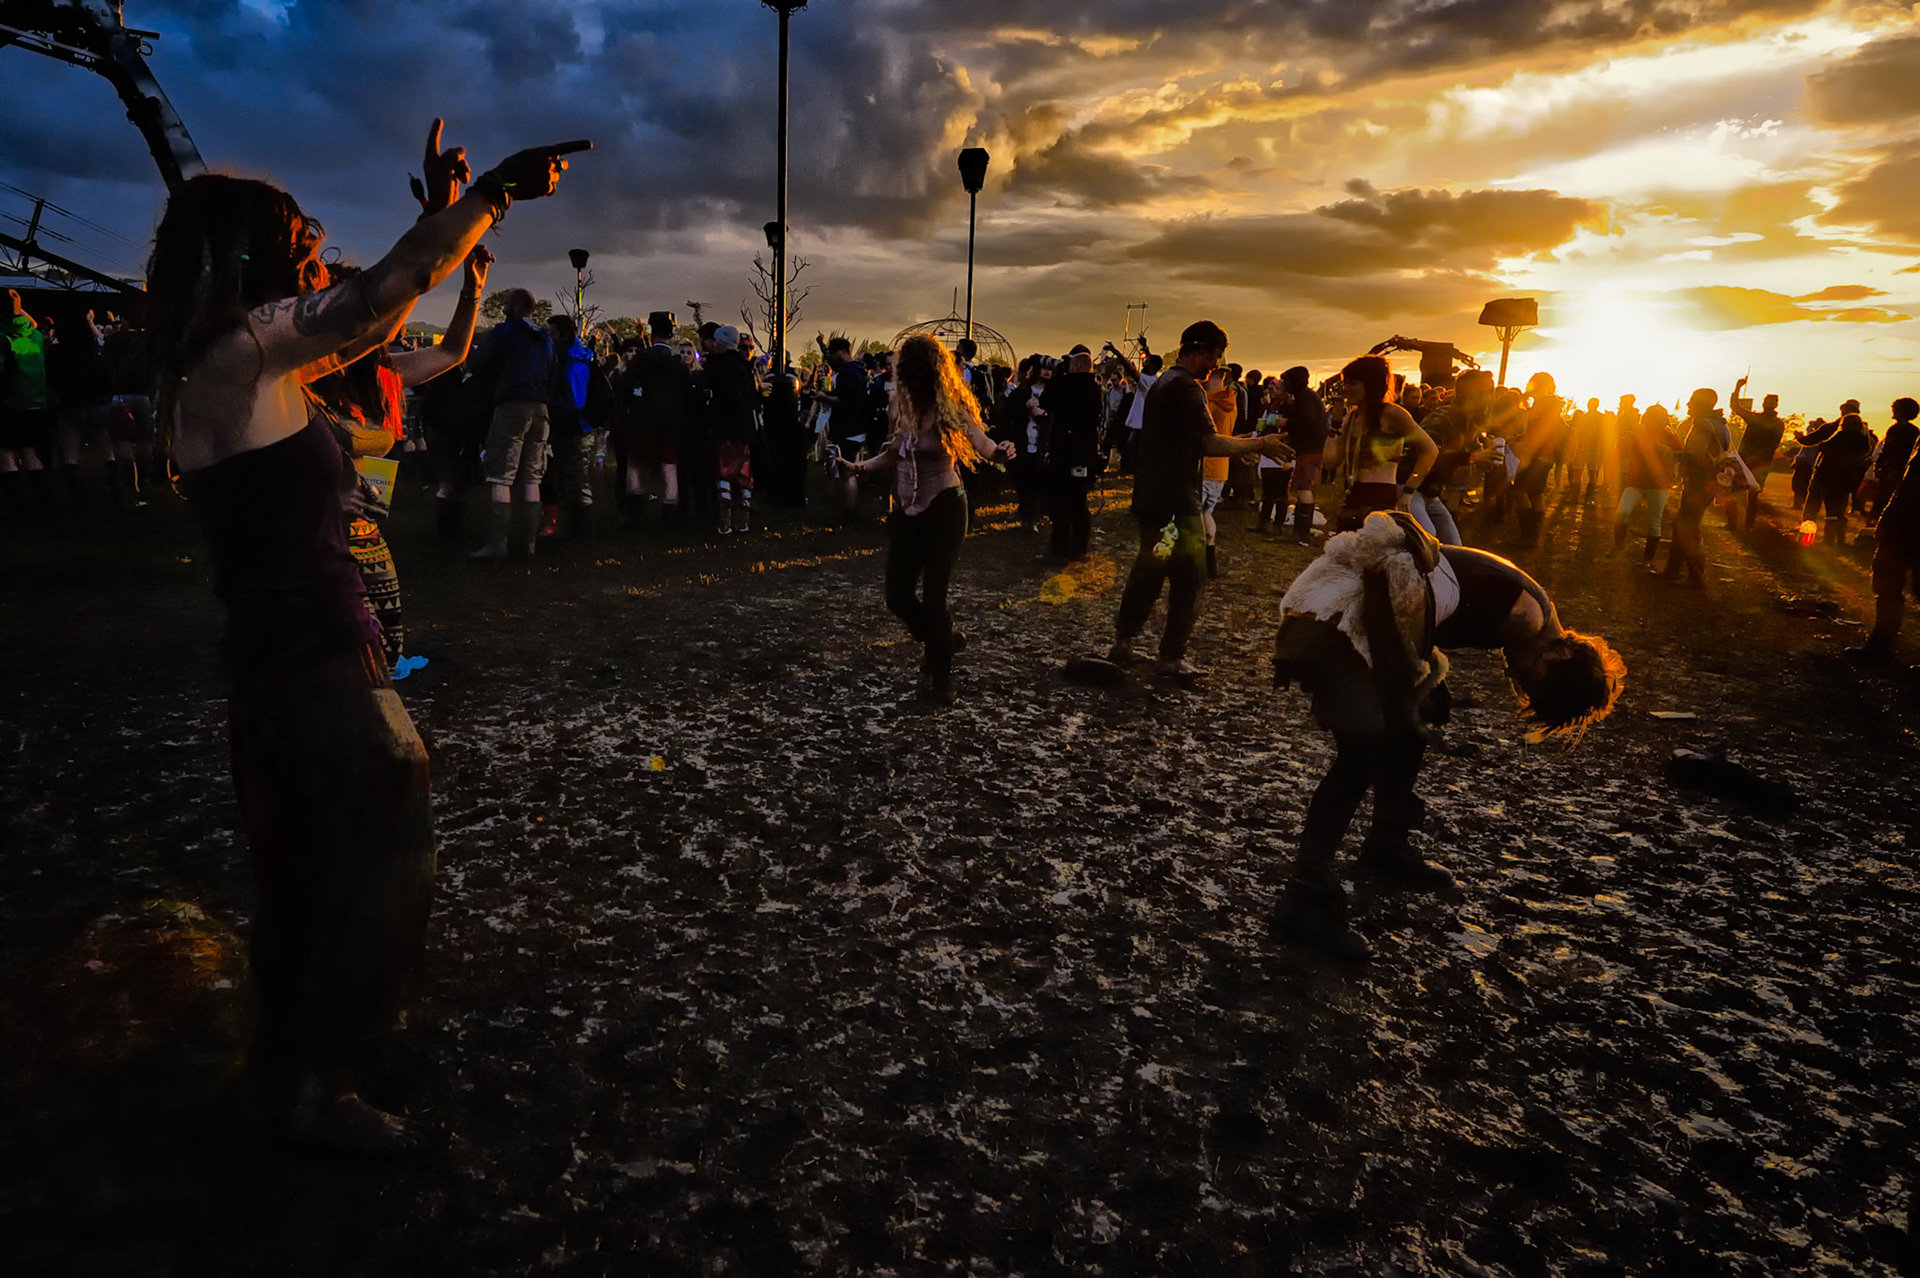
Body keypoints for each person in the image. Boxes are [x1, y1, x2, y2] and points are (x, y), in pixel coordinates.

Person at [147, 122, 588, 1154]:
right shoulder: (235, 358)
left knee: (314, 867)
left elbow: (377, 329)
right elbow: (381, 289)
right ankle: (327, 1079)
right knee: (375, 857)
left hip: (294, 657)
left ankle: (294, 1075)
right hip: (308, 660)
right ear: (245, 255)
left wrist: (445, 224)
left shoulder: (244, 367)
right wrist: (492, 194)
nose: (314, 248)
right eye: (298, 237)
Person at [1269, 512, 1626, 959]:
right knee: (1362, 750)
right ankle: (1304, 897)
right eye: (1529, 677)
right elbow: (1394, 594)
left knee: (1412, 728)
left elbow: (1420, 611)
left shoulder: (1531, 610)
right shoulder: (1522, 618)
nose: (1515, 676)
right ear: (1563, 651)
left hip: (1353, 610)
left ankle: (1386, 843)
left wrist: (1419, 685)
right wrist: (1406, 684)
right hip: (1335, 617)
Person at [1107, 320, 1291, 679]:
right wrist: (1259, 443)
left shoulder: (1164, 382)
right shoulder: (1187, 388)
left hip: (1153, 496)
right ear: (1202, 351)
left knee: (1148, 572)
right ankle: (1171, 658)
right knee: (1190, 578)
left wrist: (1241, 448)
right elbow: (1209, 442)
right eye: (1215, 357)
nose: (1216, 367)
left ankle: (1122, 644)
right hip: (1177, 500)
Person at [836, 335, 1014, 703]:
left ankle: (942, 680)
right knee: (897, 596)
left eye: (917, 376)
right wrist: (857, 467)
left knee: (935, 597)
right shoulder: (897, 404)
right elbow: (892, 454)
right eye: (906, 375)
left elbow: (982, 443)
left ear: (931, 374)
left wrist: (1000, 451)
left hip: (946, 506)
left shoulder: (952, 406)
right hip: (907, 510)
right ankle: (944, 642)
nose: (911, 383)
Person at [464, 286, 555, 558]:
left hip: (511, 405)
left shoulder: (504, 332)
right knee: (531, 476)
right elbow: (552, 371)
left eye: (505, 305)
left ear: (513, 307)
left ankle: (497, 544)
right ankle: (528, 544)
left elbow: (477, 363)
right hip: (541, 408)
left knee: (501, 474)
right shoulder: (546, 338)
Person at [1327, 353, 1437, 533]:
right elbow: (1331, 462)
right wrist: (1336, 425)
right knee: (1345, 555)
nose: (1346, 388)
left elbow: (1430, 450)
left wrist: (1409, 492)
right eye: (1345, 383)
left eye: (1352, 383)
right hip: (1353, 496)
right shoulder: (1351, 417)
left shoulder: (1392, 414)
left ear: (1370, 385)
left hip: (1380, 496)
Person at [1852, 405, 1920, 663]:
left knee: (1889, 581)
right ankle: (1880, 645)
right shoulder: (1912, 435)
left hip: (1908, 523)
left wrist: (1890, 516)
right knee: (1887, 582)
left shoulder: (1910, 434)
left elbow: (1911, 482)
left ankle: (1881, 646)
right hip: (1903, 519)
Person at [1040, 347, 1101, 561]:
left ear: (1074, 366)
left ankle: (1059, 549)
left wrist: (1059, 375)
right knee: (1078, 502)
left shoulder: (1065, 385)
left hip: (1063, 453)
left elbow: (1045, 401)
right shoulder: (1094, 388)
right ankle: (1079, 547)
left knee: (1059, 502)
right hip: (1083, 454)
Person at [1665, 388, 1730, 586]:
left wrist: (1670, 455)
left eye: (1692, 400)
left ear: (1702, 404)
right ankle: (1673, 570)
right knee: (1682, 524)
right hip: (1708, 483)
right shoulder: (1720, 424)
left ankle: (1696, 576)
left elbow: (1696, 456)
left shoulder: (1702, 424)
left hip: (1699, 482)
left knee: (1688, 527)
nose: (1688, 404)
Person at [0, 289, 53, 519]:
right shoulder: (38, 337)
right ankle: (43, 507)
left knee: (5, 453)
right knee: (31, 452)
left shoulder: (2, 335)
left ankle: (15, 508)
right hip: (38, 403)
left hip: (10, 402)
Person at [704, 324, 758, 534]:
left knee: (724, 471)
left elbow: (723, 397)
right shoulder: (744, 366)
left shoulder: (718, 367)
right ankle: (743, 517)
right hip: (744, 427)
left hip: (725, 427)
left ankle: (724, 518)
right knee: (744, 472)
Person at [1614, 401, 1681, 567]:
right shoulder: (1638, 433)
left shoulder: (1670, 435)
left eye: (1653, 418)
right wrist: (1623, 442)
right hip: (1636, 481)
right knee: (1621, 513)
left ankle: (1648, 559)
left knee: (1654, 522)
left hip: (1659, 484)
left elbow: (1681, 455)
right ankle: (1618, 546)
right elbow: (1620, 451)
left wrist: (1665, 450)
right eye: (1648, 417)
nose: (1649, 421)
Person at [815, 334, 873, 523]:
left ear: (841, 352)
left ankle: (848, 510)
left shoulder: (848, 373)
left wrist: (825, 398)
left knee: (846, 471)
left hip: (848, 428)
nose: (830, 358)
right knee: (848, 468)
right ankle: (846, 508)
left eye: (832, 353)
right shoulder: (858, 371)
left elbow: (843, 401)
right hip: (856, 427)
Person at [1509, 371, 1564, 547]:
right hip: (1544, 454)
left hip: (1537, 454)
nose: (1528, 386)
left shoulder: (1546, 405)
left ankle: (1528, 536)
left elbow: (1542, 433)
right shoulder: (1546, 404)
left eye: (1531, 384)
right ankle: (1533, 537)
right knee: (1536, 493)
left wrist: (1526, 445)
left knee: (1519, 490)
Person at [1804, 412, 1874, 546]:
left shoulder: (1841, 435)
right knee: (1840, 509)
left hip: (1830, 475)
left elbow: (1824, 447)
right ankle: (1840, 539)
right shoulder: (1862, 439)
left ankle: (1828, 539)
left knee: (1831, 509)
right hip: (1848, 478)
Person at [1728, 376, 1786, 530]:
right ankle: (1739, 523)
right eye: (1767, 401)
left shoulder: (1769, 422)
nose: (1768, 404)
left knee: (1749, 495)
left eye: (1771, 402)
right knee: (1738, 493)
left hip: (1756, 461)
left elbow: (1735, 406)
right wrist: (1738, 387)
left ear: (1775, 405)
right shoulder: (1763, 420)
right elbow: (1735, 406)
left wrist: (1738, 387)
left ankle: (1746, 524)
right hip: (1751, 460)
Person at [1278, 366, 1328, 543]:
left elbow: (1307, 419)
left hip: (1310, 448)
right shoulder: (1305, 396)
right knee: (1302, 486)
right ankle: (1300, 532)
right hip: (1312, 447)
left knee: (1303, 487)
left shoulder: (1305, 397)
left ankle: (1301, 533)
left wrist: (1287, 422)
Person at [1868, 397, 1917, 523]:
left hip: (1897, 471)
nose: (1893, 411)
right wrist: (1879, 465)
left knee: (1889, 500)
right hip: (1889, 470)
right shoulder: (1895, 429)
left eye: (1896, 409)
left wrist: (1892, 469)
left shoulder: (1908, 431)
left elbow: (1901, 452)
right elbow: (1886, 450)